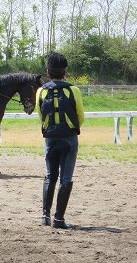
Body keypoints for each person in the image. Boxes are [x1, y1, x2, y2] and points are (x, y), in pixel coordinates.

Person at [36, 53, 85, 229]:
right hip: (69, 139)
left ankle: (45, 216)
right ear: (65, 72)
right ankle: (59, 219)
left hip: (50, 139)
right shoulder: (74, 90)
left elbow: (41, 115)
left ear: (48, 72)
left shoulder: (40, 91)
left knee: (50, 176)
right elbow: (80, 116)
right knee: (66, 178)